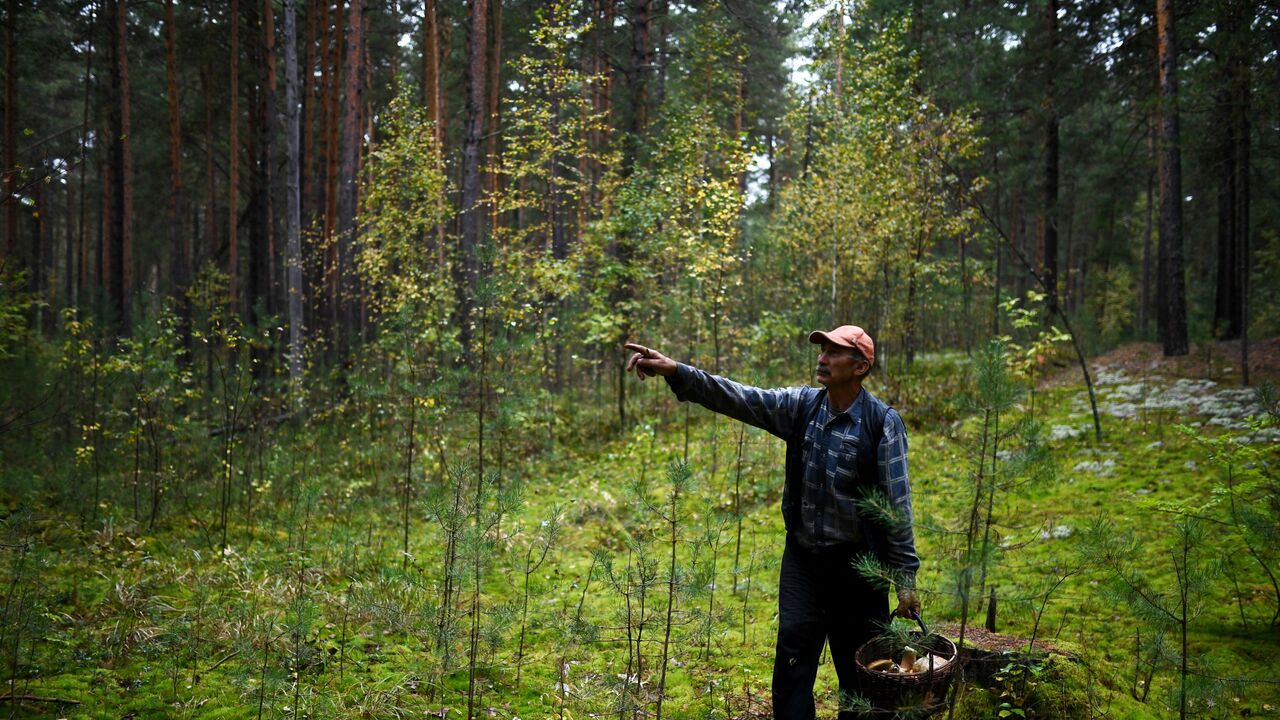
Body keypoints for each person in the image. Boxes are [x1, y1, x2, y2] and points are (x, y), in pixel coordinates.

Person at [624, 325, 920, 720]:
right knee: (792, 666)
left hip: (859, 569)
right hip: (804, 563)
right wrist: (678, 371)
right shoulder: (802, 407)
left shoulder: (883, 424)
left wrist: (905, 579)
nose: (822, 358)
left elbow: (896, 506)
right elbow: (741, 397)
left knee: (862, 678)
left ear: (861, 366)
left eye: (833, 352)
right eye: (822, 350)